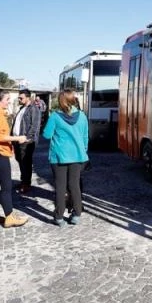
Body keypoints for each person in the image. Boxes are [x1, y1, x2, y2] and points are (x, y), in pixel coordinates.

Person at [0, 89, 29, 228]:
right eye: (7, 99)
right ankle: (9, 216)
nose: (9, 102)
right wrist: (18, 138)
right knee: (6, 187)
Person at [42, 88, 89, 227]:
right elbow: (85, 137)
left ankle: (59, 217)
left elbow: (46, 134)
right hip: (77, 156)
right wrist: (83, 150)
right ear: (73, 100)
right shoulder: (82, 116)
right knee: (74, 186)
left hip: (59, 157)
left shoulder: (55, 116)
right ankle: (77, 214)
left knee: (61, 187)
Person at [12, 89, 41, 194]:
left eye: (21, 97)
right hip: (17, 140)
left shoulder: (33, 109)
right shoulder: (22, 108)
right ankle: (23, 181)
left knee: (26, 162)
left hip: (26, 141)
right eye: (19, 97)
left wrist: (28, 137)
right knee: (21, 161)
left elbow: (35, 126)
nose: (19, 99)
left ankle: (26, 184)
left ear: (28, 97)